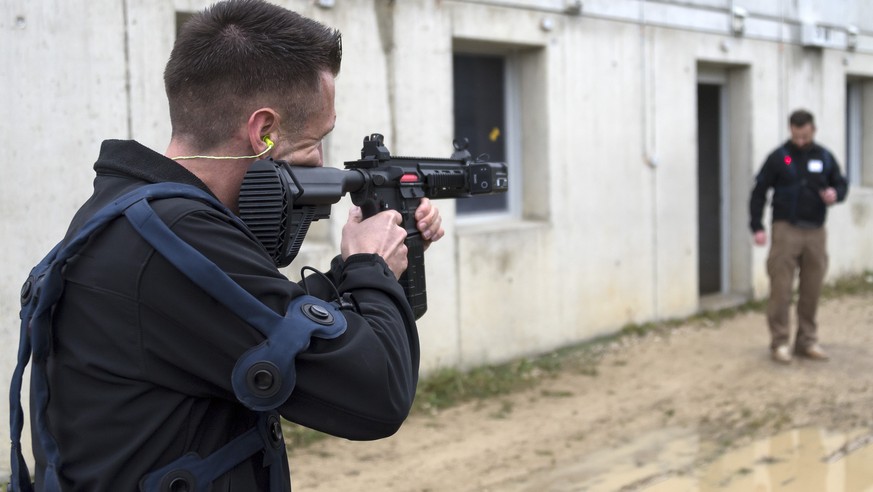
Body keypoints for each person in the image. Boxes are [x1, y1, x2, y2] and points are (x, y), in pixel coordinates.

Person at [25, 0, 445, 489]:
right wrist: (371, 266)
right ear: (263, 131)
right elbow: (376, 395)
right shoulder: (176, 240)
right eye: (316, 138)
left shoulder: (136, 212)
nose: (323, 160)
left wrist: (366, 266)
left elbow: (259, 325)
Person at [749, 109, 847, 364]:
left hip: (815, 230)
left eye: (804, 136)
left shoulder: (824, 157)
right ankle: (780, 342)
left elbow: (841, 184)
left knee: (811, 288)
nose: (800, 141)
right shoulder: (780, 157)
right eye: (796, 136)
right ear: (790, 130)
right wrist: (756, 226)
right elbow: (758, 192)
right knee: (781, 289)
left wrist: (835, 194)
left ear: (813, 130)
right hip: (786, 230)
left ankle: (807, 341)